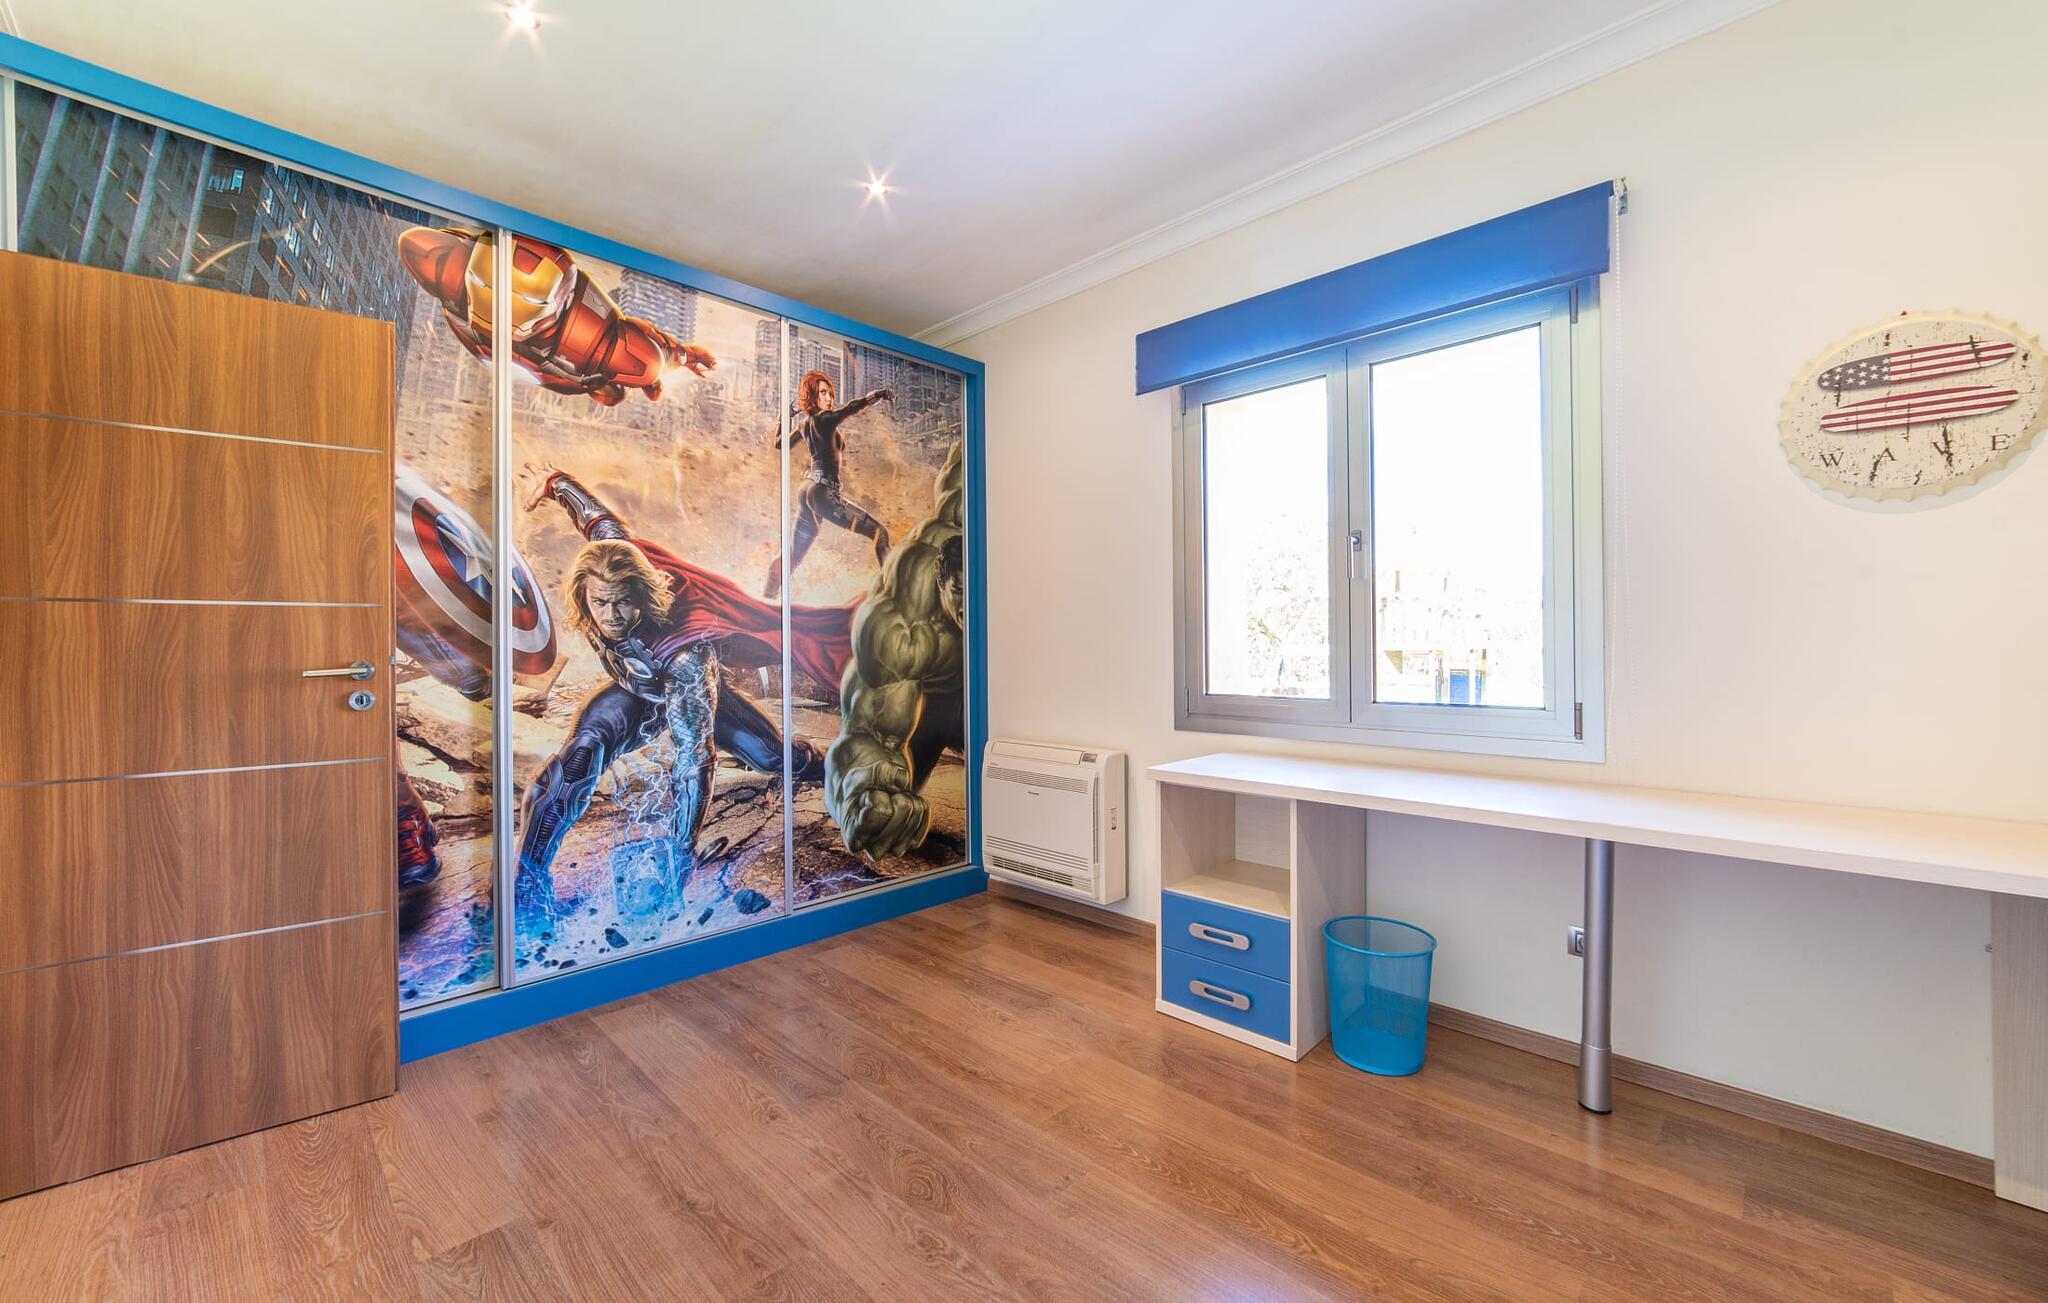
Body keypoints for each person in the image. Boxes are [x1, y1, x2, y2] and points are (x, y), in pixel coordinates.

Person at [516, 462, 853, 919]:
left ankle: (831, 767)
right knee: (576, 760)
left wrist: (678, 855)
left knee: (772, 757)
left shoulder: (685, 654)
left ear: (641, 595)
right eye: (600, 603)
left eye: (623, 602)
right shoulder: (611, 559)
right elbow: (595, 517)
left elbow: (694, 761)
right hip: (636, 693)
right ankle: (525, 889)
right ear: (584, 595)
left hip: (687, 687)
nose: (611, 616)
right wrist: (555, 483)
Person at [763, 371, 894, 597]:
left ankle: (768, 594)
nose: (829, 398)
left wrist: (785, 416)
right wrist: (876, 395)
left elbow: (779, 443)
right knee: (879, 533)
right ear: (812, 396)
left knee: (792, 556)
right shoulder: (824, 419)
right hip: (823, 493)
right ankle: (893, 595)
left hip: (808, 490)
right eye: (823, 393)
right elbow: (850, 408)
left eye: (830, 393)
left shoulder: (804, 424)